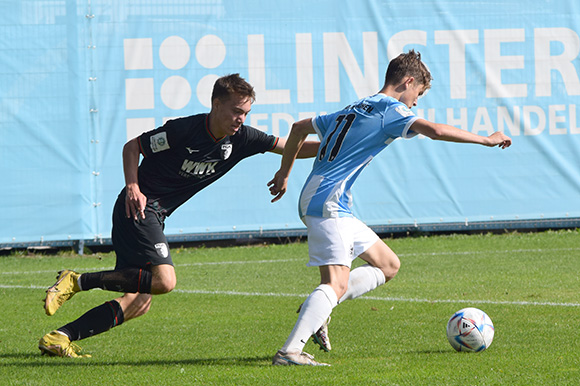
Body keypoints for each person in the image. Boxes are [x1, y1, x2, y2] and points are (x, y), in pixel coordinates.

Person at [39, 73, 320, 358]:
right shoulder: (184, 131)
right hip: (138, 208)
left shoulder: (243, 139)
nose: (241, 119)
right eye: (236, 111)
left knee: (138, 302)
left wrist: (335, 147)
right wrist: (133, 187)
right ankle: (76, 281)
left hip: (154, 215)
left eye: (246, 113)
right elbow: (132, 147)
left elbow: (291, 146)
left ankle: (59, 337)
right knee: (165, 281)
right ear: (216, 104)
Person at [267, 50, 512, 366]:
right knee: (335, 282)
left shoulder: (353, 108)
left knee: (388, 265)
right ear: (408, 82)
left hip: (329, 201)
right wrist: (486, 140)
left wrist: (284, 173)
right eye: (418, 94)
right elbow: (435, 131)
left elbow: (299, 128)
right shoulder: (390, 110)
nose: (415, 103)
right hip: (327, 201)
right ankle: (289, 353)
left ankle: (321, 306)